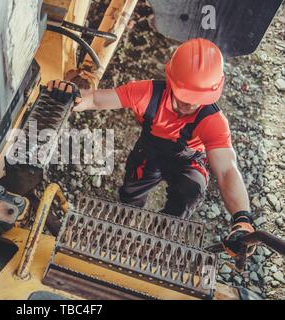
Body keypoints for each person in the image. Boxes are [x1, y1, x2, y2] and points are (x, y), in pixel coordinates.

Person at [47, 38, 256, 258]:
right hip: (150, 152)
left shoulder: (213, 120)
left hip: (189, 160)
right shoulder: (147, 93)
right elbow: (97, 99)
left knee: (190, 192)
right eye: (185, 96)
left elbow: (226, 171)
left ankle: (160, 237)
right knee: (131, 192)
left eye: (199, 99)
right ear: (171, 81)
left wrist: (242, 218)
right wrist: (72, 95)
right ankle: (123, 223)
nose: (191, 105)